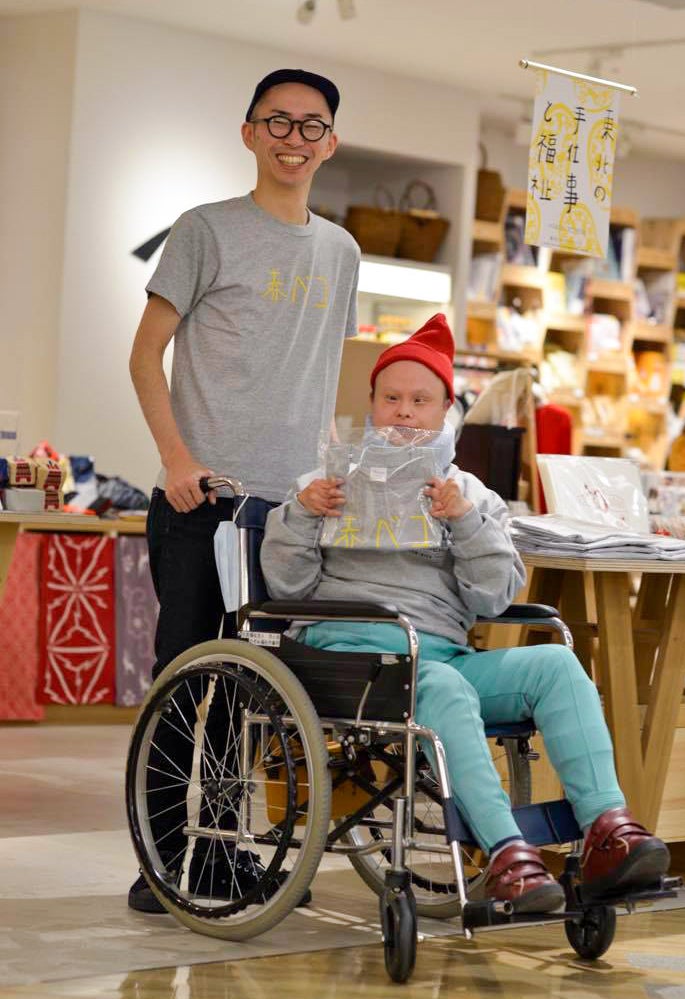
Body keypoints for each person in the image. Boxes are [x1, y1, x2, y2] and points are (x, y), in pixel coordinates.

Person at [261, 314, 671, 913]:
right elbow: (287, 586)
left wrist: (466, 523)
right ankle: (507, 854)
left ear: (445, 411)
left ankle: (608, 831)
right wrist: (301, 513)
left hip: (441, 653)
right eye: (391, 399)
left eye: (420, 401)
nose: (404, 413)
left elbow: (494, 597)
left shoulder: (471, 493)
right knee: (442, 685)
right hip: (350, 656)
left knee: (556, 664)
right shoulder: (324, 483)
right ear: (371, 405)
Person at [127, 67, 360, 912]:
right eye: (278, 122)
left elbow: (327, 374)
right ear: (249, 132)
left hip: (290, 514)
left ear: (330, 142)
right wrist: (176, 459)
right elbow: (143, 354)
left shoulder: (341, 251)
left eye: (310, 125)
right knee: (185, 681)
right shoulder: (205, 229)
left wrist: (334, 473)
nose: (294, 139)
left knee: (255, 691)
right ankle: (163, 858)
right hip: (204, 500)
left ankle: (223, 857)